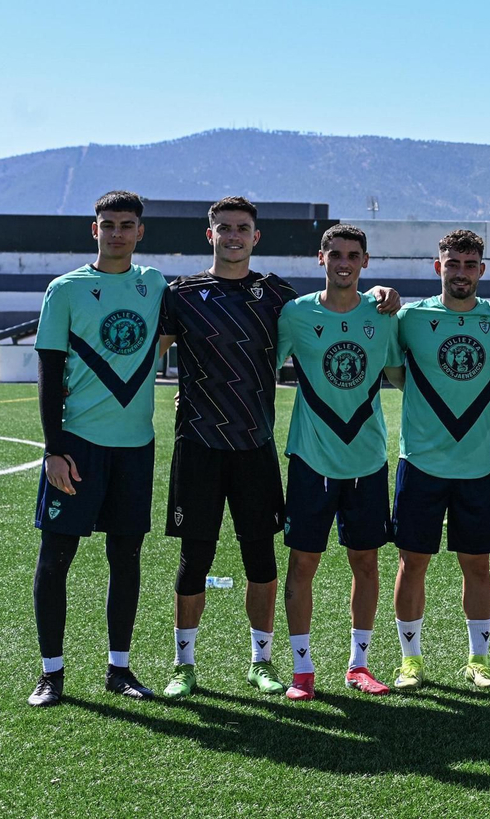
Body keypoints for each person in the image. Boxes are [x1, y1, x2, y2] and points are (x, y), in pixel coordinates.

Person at [157, 198, 400, 699]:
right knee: (195, 556)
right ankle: (184, 665)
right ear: (210, 235)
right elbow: (149, 355)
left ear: (256, 236)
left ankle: (262, 662)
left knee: (261, 558)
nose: (232, 235)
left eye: (241, 228)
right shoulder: (180, 294)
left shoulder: (277, 298)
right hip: (198, 442)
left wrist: (385, 294)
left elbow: (346, 324)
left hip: (256, 445)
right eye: (223, 228)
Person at [29, 191, 167, 707]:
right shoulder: (65, 289)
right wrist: (54, 448)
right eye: (107, 224)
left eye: (126, 225)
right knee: (56, 558)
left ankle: (120, 669)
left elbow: (180, 329)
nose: (116, 233)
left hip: (135, 447)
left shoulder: (154, 284)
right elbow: (49, 372)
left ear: (140, 232)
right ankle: (51, 673)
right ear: (94, 229)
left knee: (125, 558)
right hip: (78, 449)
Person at [384, 230, 490, 692]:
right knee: (412, 563)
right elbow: (393, 369)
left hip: (478, 466)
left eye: (469, 264)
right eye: (452, 263)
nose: (460, 272)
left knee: (477, 565)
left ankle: (478, 661)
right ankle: (410, 662)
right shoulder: (410, 318)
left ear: (481, 270)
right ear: (437, 266)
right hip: (420, 462)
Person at [275, 224, 403, 700]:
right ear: (321, 259)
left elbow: (400, 375)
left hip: (367, 460)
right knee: (303, 561)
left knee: (365, 561)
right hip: (311, 458)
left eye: (353, 255)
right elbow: (260, 371)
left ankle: (359, 665)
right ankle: (302, 670)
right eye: (336, 255)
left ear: (365, 262)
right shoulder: (296, 314)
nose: (344, 263)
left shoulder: (382, 313)